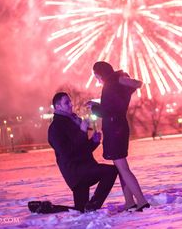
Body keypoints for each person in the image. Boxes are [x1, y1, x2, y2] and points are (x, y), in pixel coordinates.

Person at [88, 61, 150, 212]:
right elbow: (136, 85)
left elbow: (108, 111)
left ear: (100, 73)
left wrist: (94, 107)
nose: (97, 79)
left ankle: (141, 201)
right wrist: (121, 79)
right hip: (119, 127)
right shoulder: (117, 83)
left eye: (96, 76)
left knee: (122, 167)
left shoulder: (112, 83)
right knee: (122, 167)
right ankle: (129, 202)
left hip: (115, 128)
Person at [48, 92, 118, 213]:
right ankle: (93, 205)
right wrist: (81, 132)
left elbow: (82, 149)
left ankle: (47, 208)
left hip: (85, 167)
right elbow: (66, 152)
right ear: (58, 107)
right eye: (66, 103)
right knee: (111, 171)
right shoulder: (55, 127)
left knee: (80, 210)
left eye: (70, 101)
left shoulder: (74, 121)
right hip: (76, 171)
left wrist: (94, 142)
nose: (71, 104)